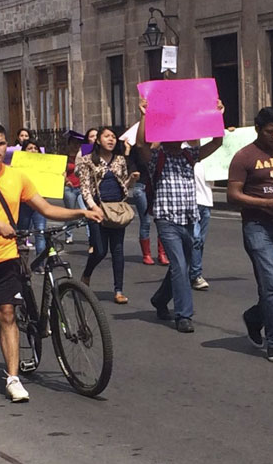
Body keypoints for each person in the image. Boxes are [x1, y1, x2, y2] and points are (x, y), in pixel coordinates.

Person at [0, 122, 103, 402]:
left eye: (0, 143)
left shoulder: (16, 177)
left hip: (7, 256)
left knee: (6, 314)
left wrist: (81, 212)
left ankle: (13, 378)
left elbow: (45, 208)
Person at [135, 97, 225, 333]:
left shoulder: (189, 155)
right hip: (166, 218)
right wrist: (145, 115)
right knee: (178, 264)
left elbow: (217, 142)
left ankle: (160, 299)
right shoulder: (157, 157)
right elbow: (141, 145)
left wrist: (217, 115)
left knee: (181, 266)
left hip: (188, 217)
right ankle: (184, 315)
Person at [227, 107, 273, 363]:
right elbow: (233, 195)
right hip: (258, 227)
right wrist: (264, 204)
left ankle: (254, 317)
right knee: (270, 286)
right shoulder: (244, 157)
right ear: (258, 129)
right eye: (270, 131)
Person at [76, 126, 139, 304]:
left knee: (118, 250)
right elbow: (85, 188)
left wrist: (132, 179)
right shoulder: (88, 160)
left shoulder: (120, 160)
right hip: (98, 210)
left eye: (113, 137)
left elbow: (124, 186)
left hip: (117, 209)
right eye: (106, 136)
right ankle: (86, 275)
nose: (111, 140)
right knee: (100, 250)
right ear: (98, 140)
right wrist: (93, 208)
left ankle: (118, 290)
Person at [128, 137, 169, 266]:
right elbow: (130, 164)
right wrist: (133, 173)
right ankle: (146, 254)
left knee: (161, 221)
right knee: (145, 221)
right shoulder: (138, 149)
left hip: (158, 187)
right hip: (141, 187)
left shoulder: (162, 150)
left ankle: (162, 253)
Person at [16, 140, 47, 262]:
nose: (33, 150)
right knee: (22, 233)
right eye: (30, 148)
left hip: (40, 202)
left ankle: (40, 264)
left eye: (35, 148)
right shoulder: (18, 167)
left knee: (40, 232)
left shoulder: (46, 165)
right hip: (24, 203)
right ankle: (21, 263)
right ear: (24, 151)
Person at [189, 157, 212, 290]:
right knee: (196, 239)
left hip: (207, 201)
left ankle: (191, 271)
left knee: (200, 241)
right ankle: (196, 275)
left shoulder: (209, 156)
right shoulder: (186, 153)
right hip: (193, 202)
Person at [62, 136, 89, 244]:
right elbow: (61, 172)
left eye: (78, 143)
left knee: (86, 212)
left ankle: (90, 236)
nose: (75, 145)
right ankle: (69, 235)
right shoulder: (65, 157)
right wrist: (66, 180)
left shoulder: (83, 156)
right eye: (73, 143)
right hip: (69, 189)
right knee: (70, 213)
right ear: (69, 144)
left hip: (81, 188)